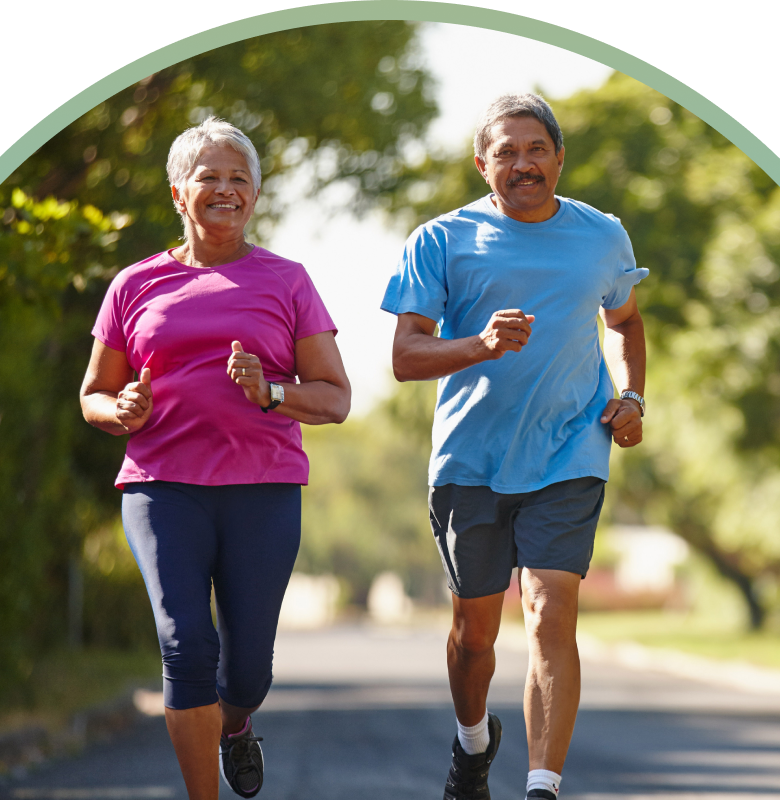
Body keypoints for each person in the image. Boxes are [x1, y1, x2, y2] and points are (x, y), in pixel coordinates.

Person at [381, 93, 647, 800]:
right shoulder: (440, 240)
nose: (523, 164)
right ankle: (473, 744)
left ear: (561, 158)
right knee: (475, 635)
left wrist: (632, 396)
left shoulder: (603, 236)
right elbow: (405, 357)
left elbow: (623, 321)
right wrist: (479, 344)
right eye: (506, 152)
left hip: (570, 447)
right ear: (481, 165)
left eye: (536, 150)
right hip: (472, 459)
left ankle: (542, 786)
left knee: (549, 611)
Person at [80, 117, 350, 800]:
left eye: (239, 179)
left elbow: (336, 397)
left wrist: (272, 392)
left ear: (255, 196)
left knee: (248, 670)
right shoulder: (133, 285)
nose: (225, 190)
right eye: (210, 177)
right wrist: (122, 412)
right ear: (179, 192)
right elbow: (94, 394)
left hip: (262, 488)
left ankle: (236, 724)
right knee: (185, 648)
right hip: (162, 487)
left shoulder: (287, 282)